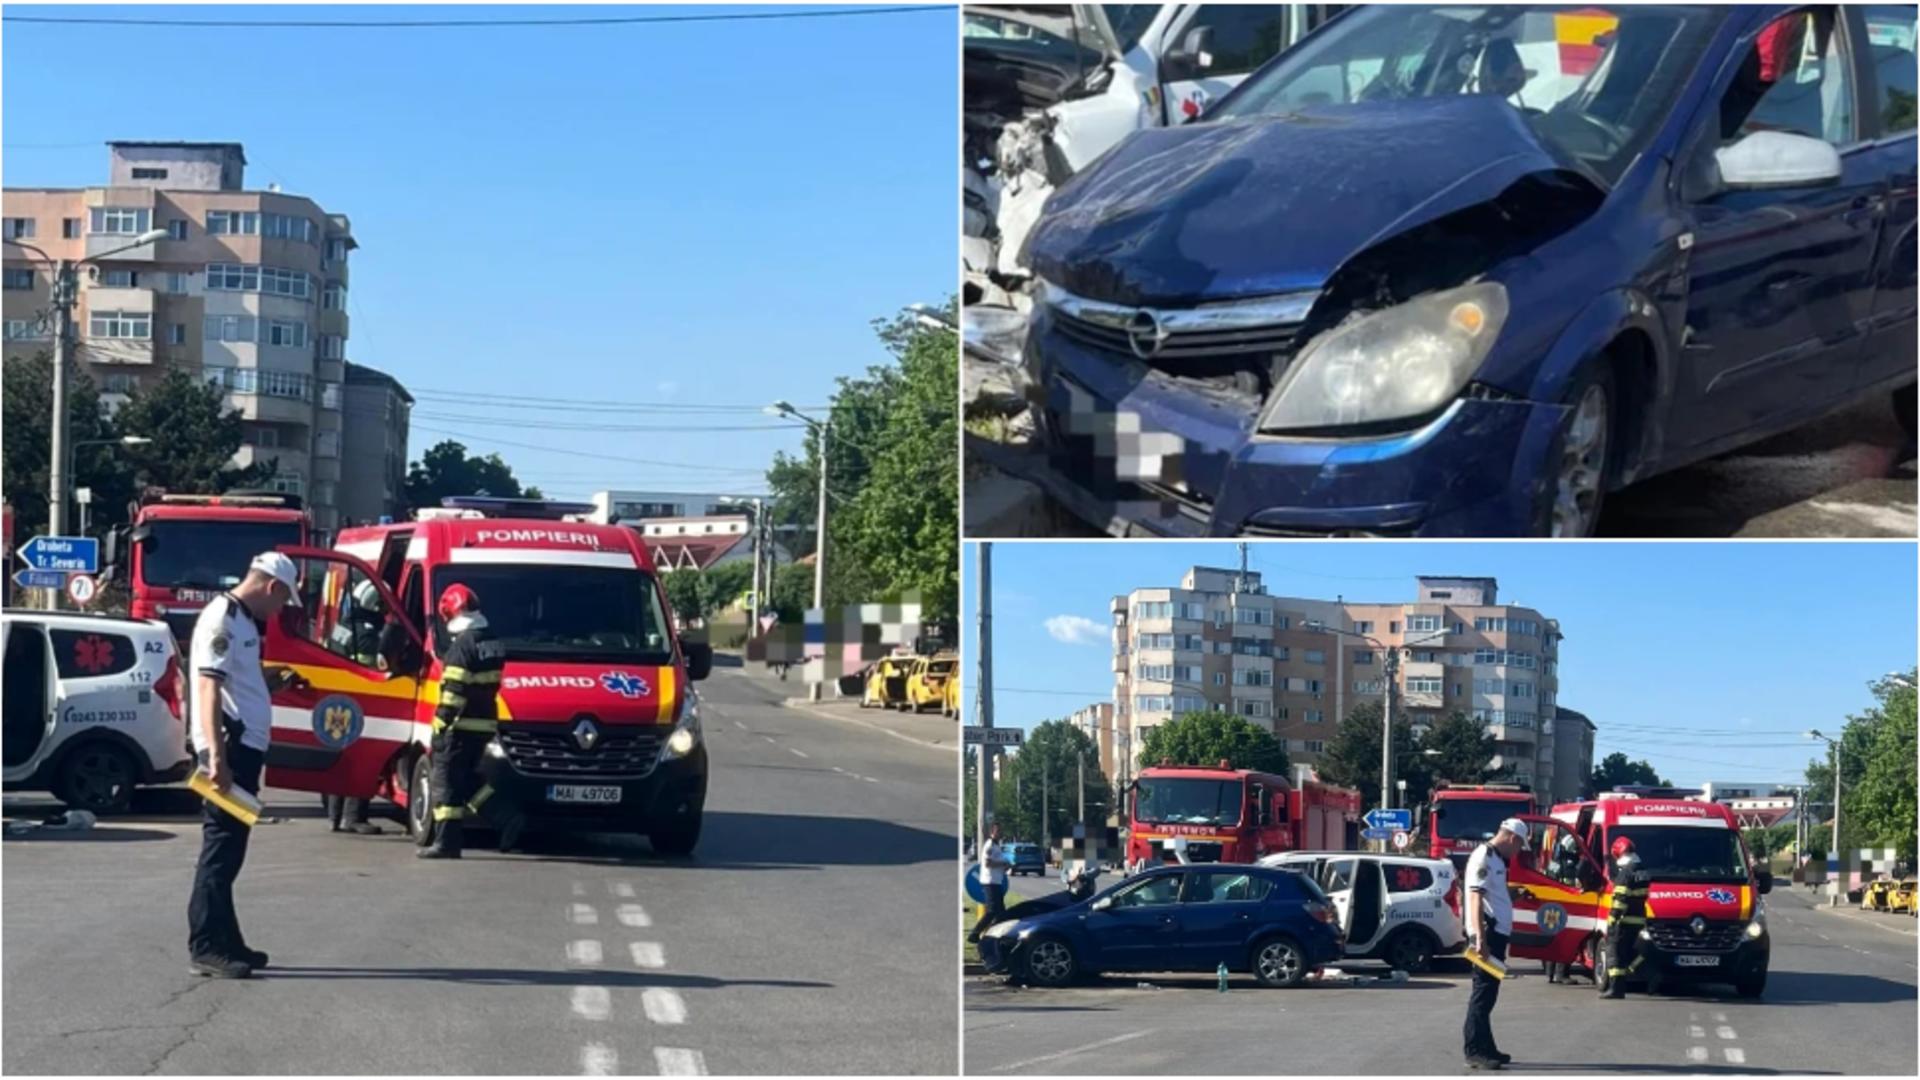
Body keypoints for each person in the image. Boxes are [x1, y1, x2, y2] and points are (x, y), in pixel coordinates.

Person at [185, 552, 306, 979]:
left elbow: (237, 682)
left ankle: (227, 939)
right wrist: (217, 757)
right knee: (220, 850)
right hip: (229, 752)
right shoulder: (222, 619)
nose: (280, 611)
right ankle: (206, 946)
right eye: (282, 601)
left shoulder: (239, 620)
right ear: (272, 587)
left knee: (231, 849)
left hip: (242, 749)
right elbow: (207, 688)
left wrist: (271, 682)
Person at [417, 584, 508, 859]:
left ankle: (446, 843)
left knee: (445, 783)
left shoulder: (462, 646)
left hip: (459, 725)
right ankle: (508, 819)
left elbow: (454, 693)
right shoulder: (491, 639)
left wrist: (440, 725)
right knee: (468, 781)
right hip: (484, 724)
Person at [1462, 817, 1530, 1070]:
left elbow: (1492, 895)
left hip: (1495, 935)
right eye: (1520, 845)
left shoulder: (1496, 859)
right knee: (1482, 994)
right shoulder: (1483, 857)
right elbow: (1475, 898)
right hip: (1487, 937)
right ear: (1513, 838)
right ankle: (1474, 1050)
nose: (1519, 851)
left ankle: (1486, 1046)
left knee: (1489, 993)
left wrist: (1513, 895)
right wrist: (1480, 938)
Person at [325, 580, 388, 836]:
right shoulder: (367, 633)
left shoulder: (343, 625)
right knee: (362, 758)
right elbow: (370, 672)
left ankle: (334, 815)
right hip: (358, 703)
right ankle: (354, 817)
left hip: (335, 700)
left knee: (340, 757)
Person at [1602, 838, 1652, 998]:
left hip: (1623, 920)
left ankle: (1615, 989)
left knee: (1614, 953)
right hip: (1638, 920)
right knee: (1629, 953)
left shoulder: (1626, 872)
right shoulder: (1642, 870)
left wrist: (1612, 919)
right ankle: (1625, 984)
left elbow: (1620, 900)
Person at [967, 822, 1010, 943]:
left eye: (1001, 831)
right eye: (997, 831)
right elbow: (987, 863)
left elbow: (997, 864)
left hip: (996, 881)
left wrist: (1005, 866)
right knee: (992, 910)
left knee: (1001, 912)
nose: (999, 833)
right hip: (989, 882)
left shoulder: (997, 846)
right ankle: (974, 934)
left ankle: (997, 936)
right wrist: (1003, 864)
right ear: (992, 832)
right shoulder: (990, 845)